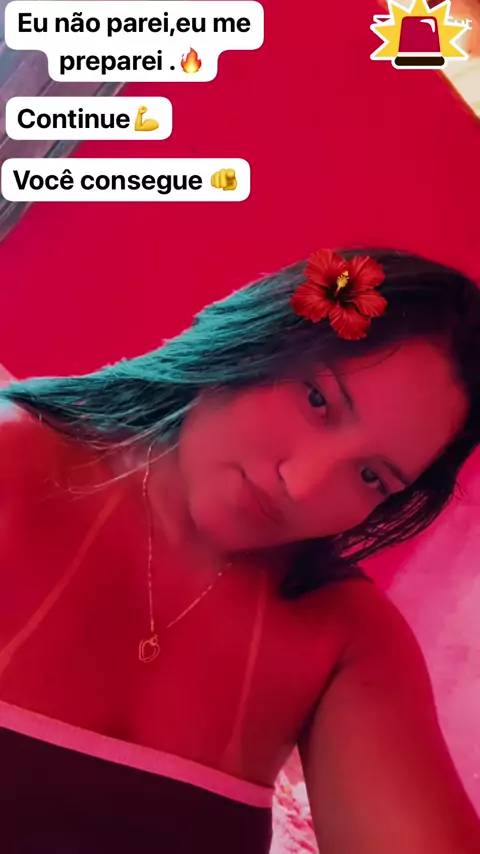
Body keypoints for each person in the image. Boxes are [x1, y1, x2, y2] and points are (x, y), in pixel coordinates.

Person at [0, 247, 480, 854]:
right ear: (259, 338)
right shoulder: (12, 465)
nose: (302, 485)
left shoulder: (343, 636)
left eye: (370, 477)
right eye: (317, 400)